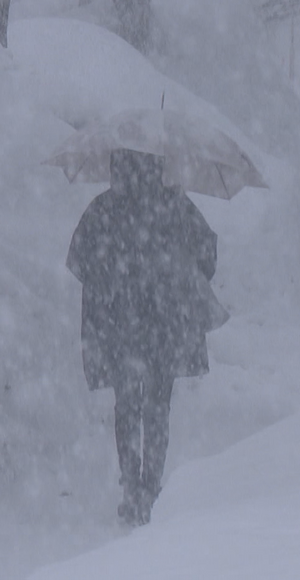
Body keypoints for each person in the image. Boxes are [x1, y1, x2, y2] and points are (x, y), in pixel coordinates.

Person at [66, 149, 220, 526]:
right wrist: (175, 274)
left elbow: (78, 260)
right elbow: (207, 253)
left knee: (126, 407)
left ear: (117, 165)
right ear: (157, 165)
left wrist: (114, 280)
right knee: (156, 408)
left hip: (119, 326)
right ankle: (151, 486)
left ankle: (131, 486)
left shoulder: (103, 209)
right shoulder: (174, 204)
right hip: (164, 326)